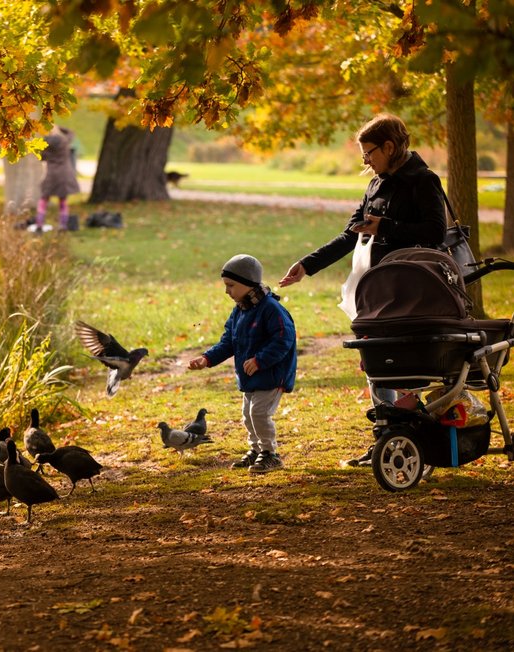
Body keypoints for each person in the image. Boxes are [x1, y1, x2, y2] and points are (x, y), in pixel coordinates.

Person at [278, 113, 446, 466]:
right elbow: (349, 234)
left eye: (368, 152)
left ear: (389, 146)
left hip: (409, 290)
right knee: (375, 364)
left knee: (403, 366)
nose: (365, 161)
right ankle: (388, 436)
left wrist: (385, 226)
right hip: (374, 291)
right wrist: (307, 265)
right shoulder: (375, 184)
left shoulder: (422, 180)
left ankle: (412, 439)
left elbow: (434, 233)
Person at [188, 255, 297, 473]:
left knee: (259, 413)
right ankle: (256, 450)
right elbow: (228, 341)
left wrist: (260, 360)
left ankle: (270, 454)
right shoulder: (240, 310)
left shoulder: (271, 308)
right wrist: (207, 359)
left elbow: (284, 338)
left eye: (231, 285)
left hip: (272, 374)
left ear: (248, 284)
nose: (227, 291)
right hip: (249, 377)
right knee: (248, 415)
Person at [34, 124, 80, 232]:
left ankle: (39, 224)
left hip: (51, 174)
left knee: (44, 199)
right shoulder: (65, 141)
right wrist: (59, 127)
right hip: (64, 174)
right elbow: (71, 132)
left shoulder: (45, 144)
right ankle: (62, 226)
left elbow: (41, 158)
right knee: (63, 201)